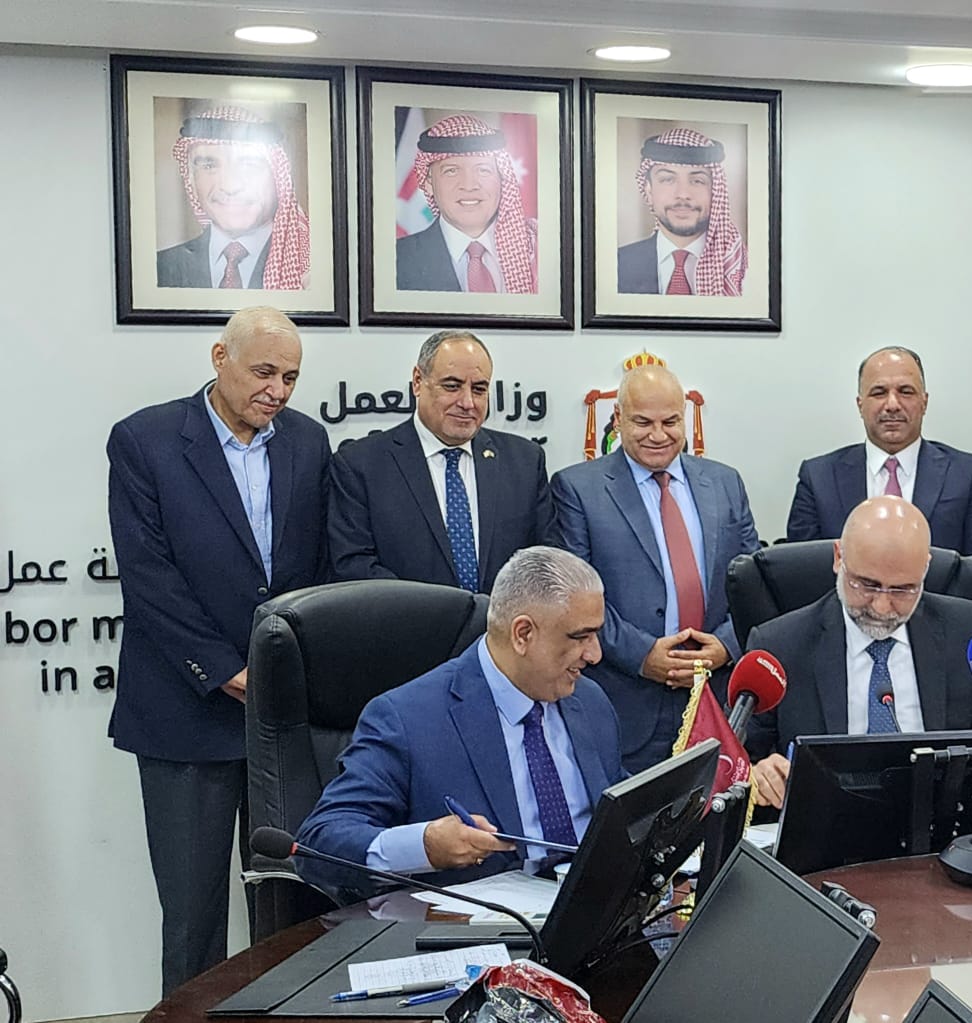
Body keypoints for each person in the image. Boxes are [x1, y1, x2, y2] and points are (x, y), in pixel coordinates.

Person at [105, 307, 330, 994]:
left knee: (293, 911)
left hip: (282, 721)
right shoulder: (144, 440)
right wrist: (229, 671)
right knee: (194, 923)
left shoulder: (308, 441)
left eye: (290, 376)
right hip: (185, 716)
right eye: (264, 371)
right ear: (219, 357)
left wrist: (286, 674)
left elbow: (317, 572)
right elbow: (149, 580)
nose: (277, 390)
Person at [295, 547, 624, 899]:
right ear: (523, 634)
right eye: (580, 637)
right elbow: (320, 843)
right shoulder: (407, 718)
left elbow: (619, 808)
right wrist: (424, 846)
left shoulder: (589, 701)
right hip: (486, 926)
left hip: (599, 911)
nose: (594, 654)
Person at [549, 364, 760, 772]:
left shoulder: (725, 483)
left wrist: (726, 646)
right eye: (643, 422)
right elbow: (572, 598)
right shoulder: (577, 489)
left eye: (670, 422)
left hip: (717, 700)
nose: (658, 435)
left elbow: (753, 586)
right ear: (618, 419)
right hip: (627, 702)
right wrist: (644, 655)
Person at [746, 497, 972, 810]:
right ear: (839, 558)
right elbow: (736, 763)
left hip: (941, 824)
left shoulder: (964, 630)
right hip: (825, 825)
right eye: (866, 585)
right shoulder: (779, 645)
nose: (881, 606)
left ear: (925, 569)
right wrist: (758, 774)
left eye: (902, 590)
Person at [328, 330, 551, 593]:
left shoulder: (525, 462)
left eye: (479, 389)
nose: (467, 402)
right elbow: (354, 567)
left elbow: (545, 561)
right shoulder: (360, 466)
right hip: (405, 619)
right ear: (417, 382)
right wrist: (436, 613)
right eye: (452, 386)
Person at [785, 346, 972, 573]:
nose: (892, 405)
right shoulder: (818, 479)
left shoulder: (965, 475)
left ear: (924, 402)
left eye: (906, 392)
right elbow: (801, 573)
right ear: (860, 404)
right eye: (879, 392)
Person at [157, 107, 309, 290]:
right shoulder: (158, 269)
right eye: (209, 166)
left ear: (278, 177)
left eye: (249, 164)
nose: (229, 187)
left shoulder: (311, 270)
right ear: (191, 179)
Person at [396, 114, 537, 293]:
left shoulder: (537, 249)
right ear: (428, 183)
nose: (469, 185)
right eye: (452, 171)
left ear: (502, 179)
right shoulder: (397, 259)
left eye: (483, 170)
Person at [617, 128, 747, 297]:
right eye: (667, 179)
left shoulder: (743, 269)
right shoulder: (615, 265)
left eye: (697, 181)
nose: (683, 194)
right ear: (649, 191)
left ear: (716, 191)